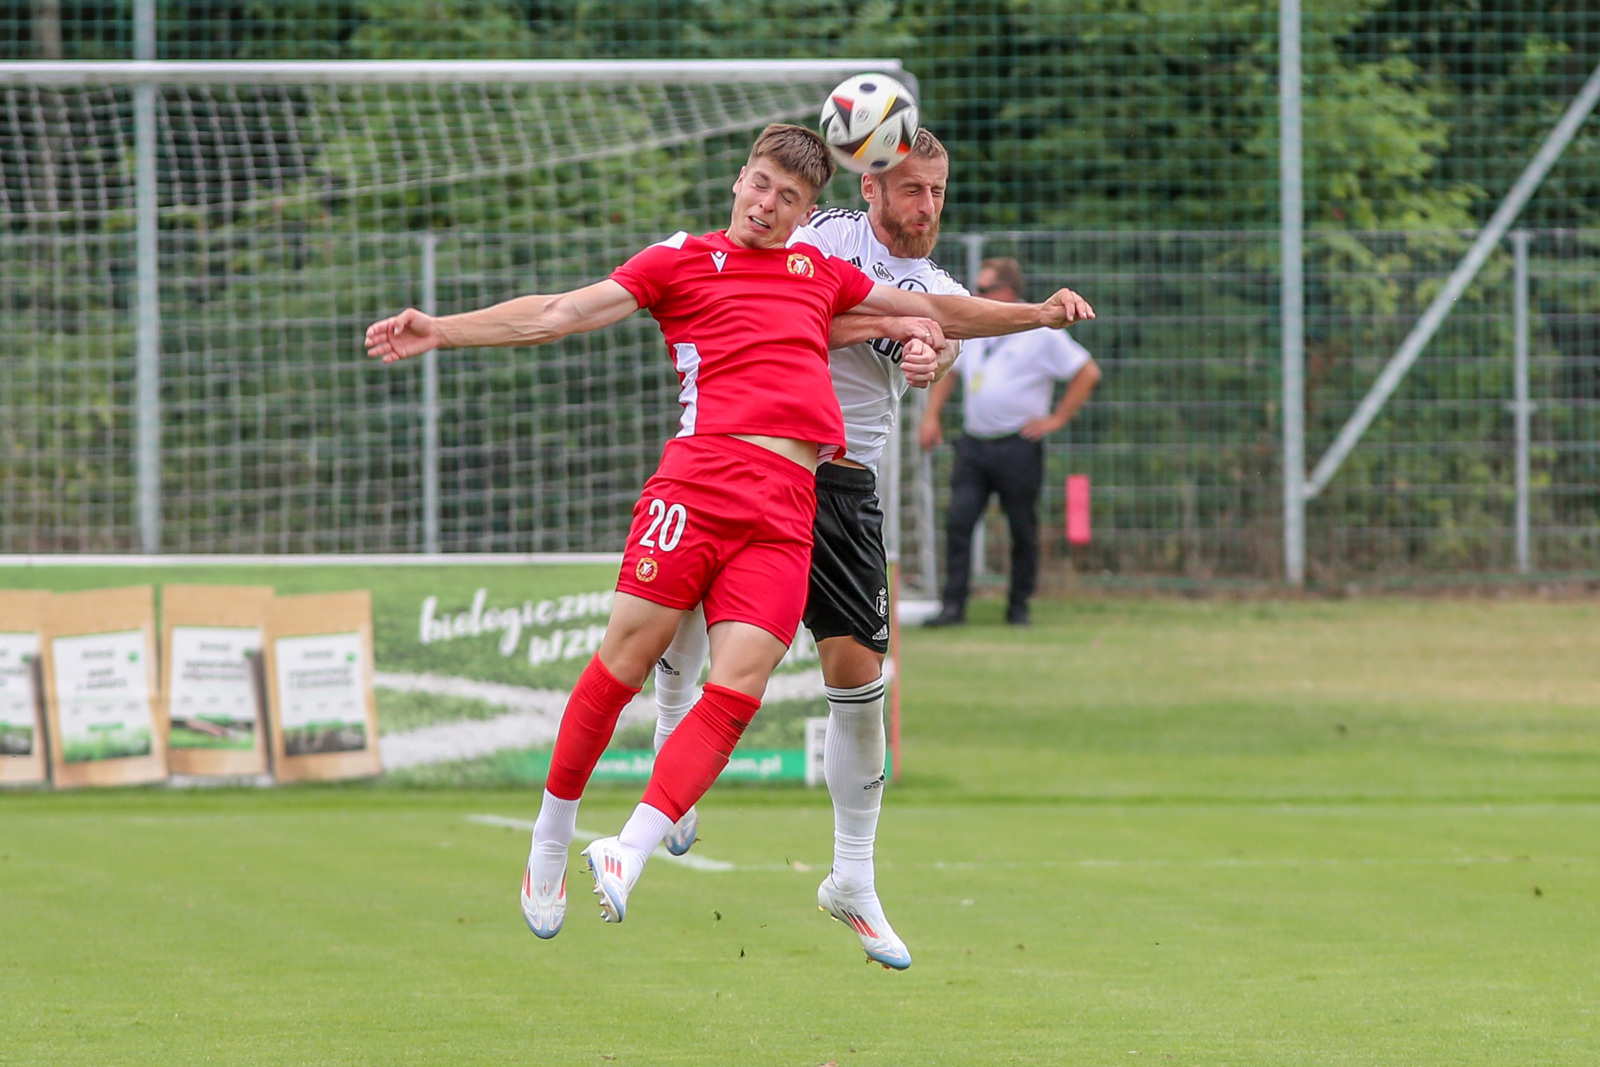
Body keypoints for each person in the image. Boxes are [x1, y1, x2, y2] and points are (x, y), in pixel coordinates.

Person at [364, 125, 1094, 941]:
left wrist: (992, 325)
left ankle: (633, 848)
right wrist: (444, 328)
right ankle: (549, 838)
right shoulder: (682, 258)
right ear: (739, 181)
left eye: (786, 196)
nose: (767, 202)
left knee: (745, 681)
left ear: (804, 212)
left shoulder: (817, 273)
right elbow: (560, 313)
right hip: (702, 478)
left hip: (793, 504)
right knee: (625, 659)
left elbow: (925, 309)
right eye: (760, 185)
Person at [651, 128, 962, 970]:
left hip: (845, 490)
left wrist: (933, 344)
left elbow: (944, 329)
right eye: (912, 190)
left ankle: (852, 878)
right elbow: (766, 305)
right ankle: (668, 761)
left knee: (861, 677)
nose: (927, 206)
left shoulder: (931, 284)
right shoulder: (815, 235)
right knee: (679, 611)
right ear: (871, 186)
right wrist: (889, 324)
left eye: (937, 191)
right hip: (752, 455)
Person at [919, 257, 1102, 627]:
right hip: (973, 444)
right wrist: (931, 416)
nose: (977, 294)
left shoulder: (1040, 331)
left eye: (985, 290)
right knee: (959, 522)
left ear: (1007, 292)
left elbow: (1087, 371)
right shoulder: (976, 326)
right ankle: (953, 607)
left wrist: (1056, 419)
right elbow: (949, 373)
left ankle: (1018, 607)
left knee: (1021, 528)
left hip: (1017, 445)